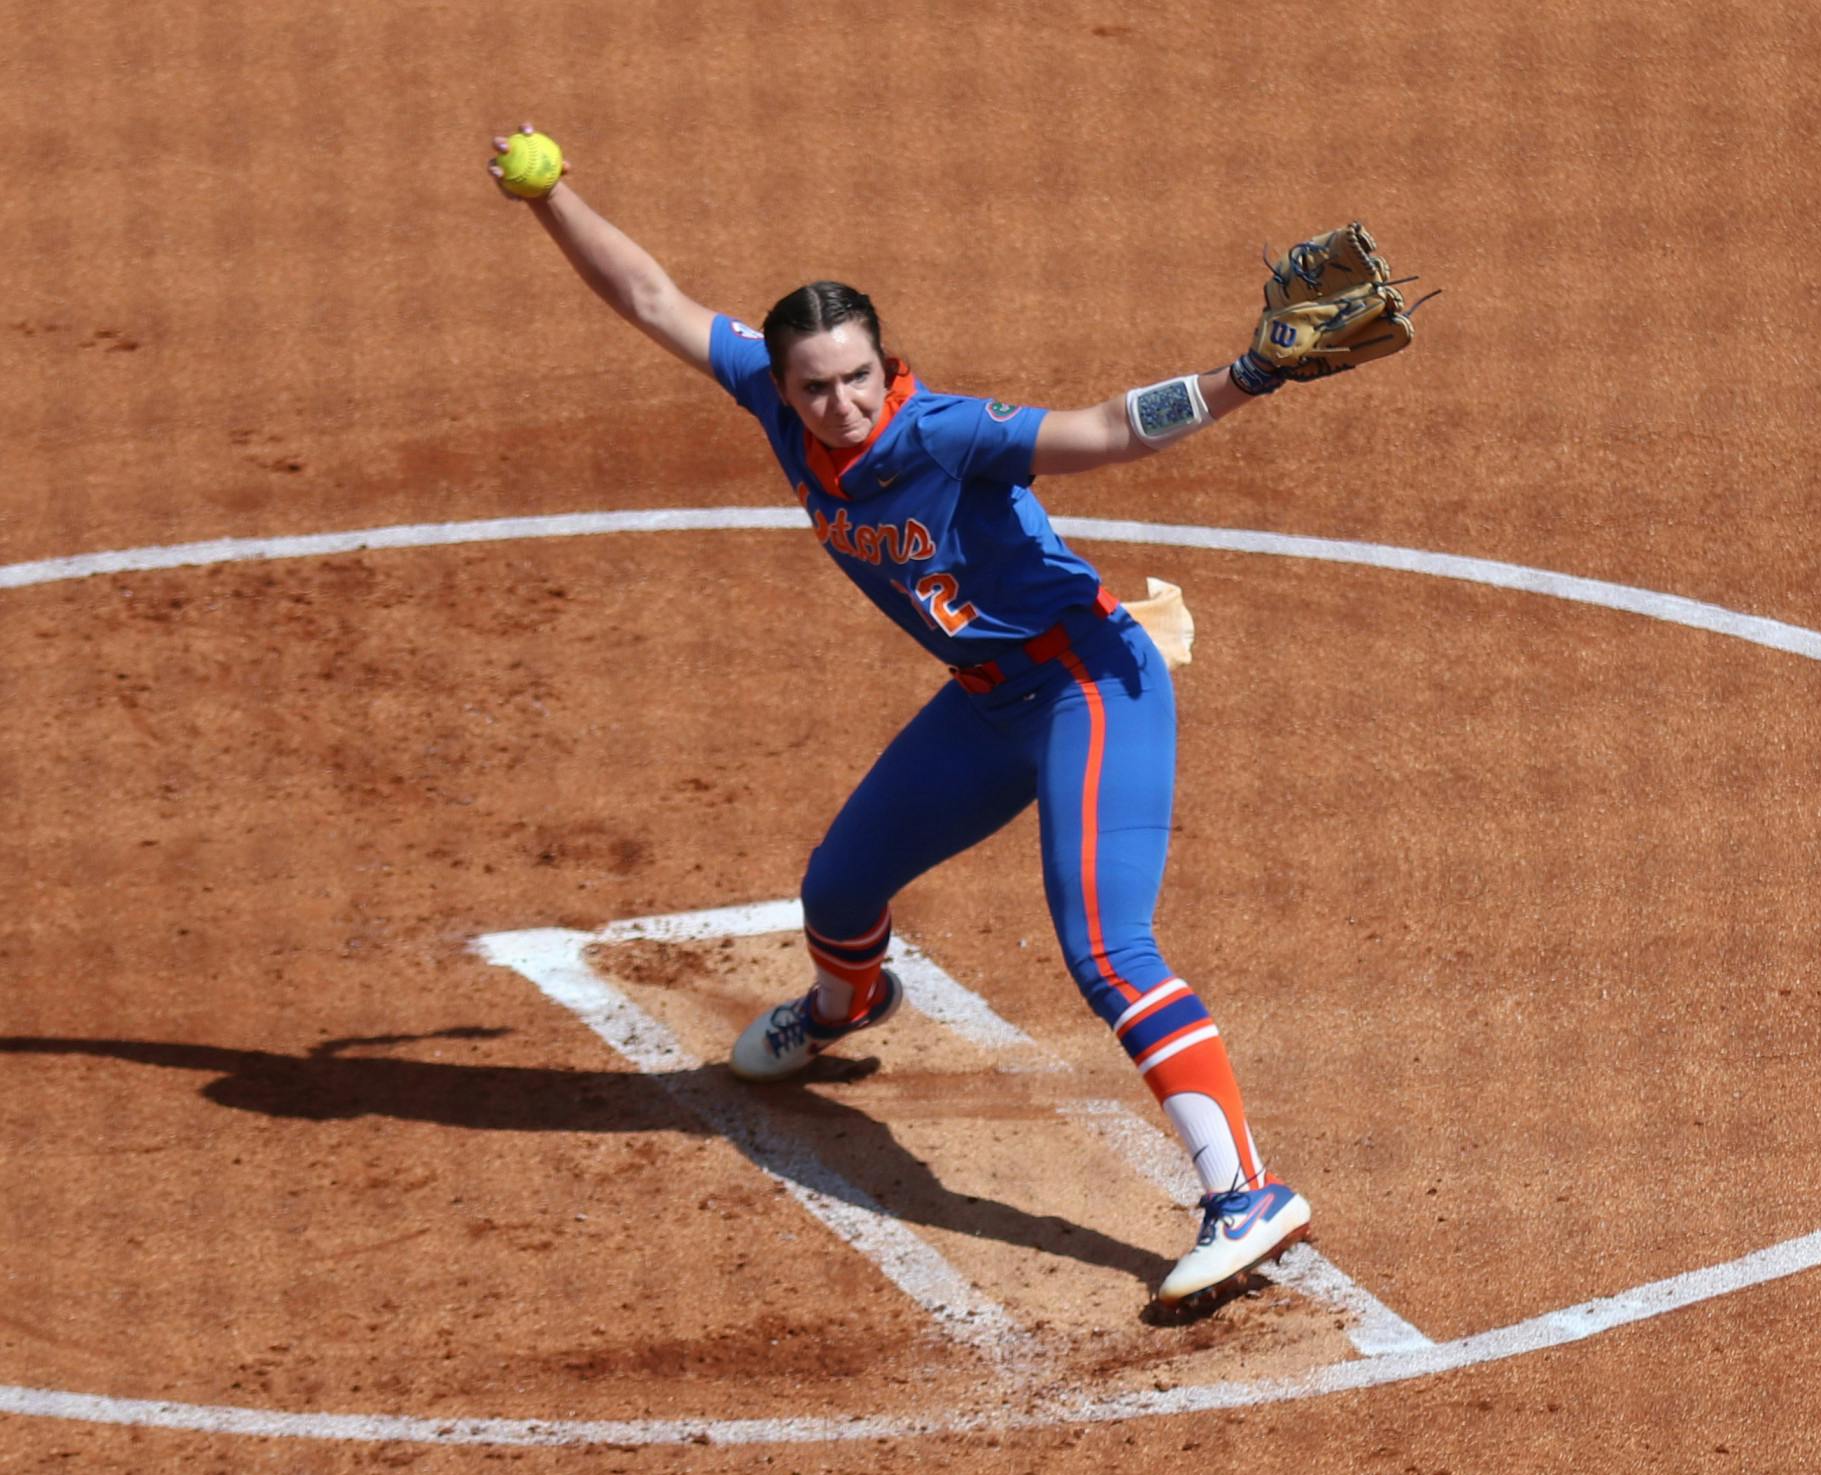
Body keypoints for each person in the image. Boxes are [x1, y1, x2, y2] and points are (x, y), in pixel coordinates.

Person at [486, 124, 1400, 1314]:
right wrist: (550, 198)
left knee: (1104, 948)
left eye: (857, 375)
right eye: (813, 384)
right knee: (836, 889)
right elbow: (650, 294)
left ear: (885, 361)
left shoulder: (945, 433)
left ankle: (1246, 1191)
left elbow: (1106, 430)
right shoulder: (772, 398)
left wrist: (1251, 373)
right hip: (987, 702)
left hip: (1089, 686)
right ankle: (847, 1002)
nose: (839, 402)